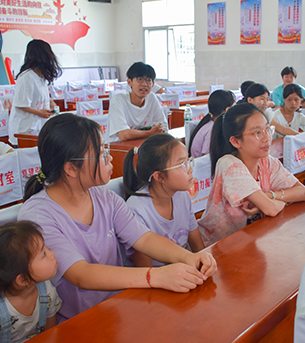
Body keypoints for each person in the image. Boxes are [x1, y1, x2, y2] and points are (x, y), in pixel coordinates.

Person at [18, 113, 216, 323]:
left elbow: (145, 239)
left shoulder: (105, 197)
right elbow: (80, 274)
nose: (110, 158)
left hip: (120, 307)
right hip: (78, 321)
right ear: (71, 168)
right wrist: (155, 276)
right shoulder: (38, 214)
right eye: (101, 153)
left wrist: (189, 258)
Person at [198, 103, 305, 246]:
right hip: (216, 248)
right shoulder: (229, 164)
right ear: (235, 141)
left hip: (250, 241)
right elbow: (271, 209)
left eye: (267, 129)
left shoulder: (267, 162)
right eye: (257, 132)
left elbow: (303, 193)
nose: (267, 138)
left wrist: (269, 196)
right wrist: (277, 202)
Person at [123, 134, 205, 267]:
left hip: (182, 272)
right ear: (159, 176)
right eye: (182, 164)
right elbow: (147, 272)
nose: (190, 169)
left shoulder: (182, 196)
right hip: (157, 277)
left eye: (188, 161)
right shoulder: (136, 211)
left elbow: (199, 249)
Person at [8, 39, 61, 145]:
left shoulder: (42, 76)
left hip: (38, 128)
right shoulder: (26, 76)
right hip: (24, 130)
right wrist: (40, 113)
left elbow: (40, 94)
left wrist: (51, 103)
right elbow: (21, 104)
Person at [107, 62, 167, 142]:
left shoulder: (152, 98)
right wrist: (150, 132)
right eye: (139, 79)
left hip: (142, 145)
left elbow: (163, 127)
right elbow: (123, 135)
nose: (144, 84)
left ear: (153, 84)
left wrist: (154, 131)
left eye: (148, 80)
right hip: (118, 147)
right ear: (129, 82)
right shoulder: (118, 100)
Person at [188, 89, 235, 158]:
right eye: (234, 107)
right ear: (227, 110)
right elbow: (207, 158)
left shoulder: (210, 123)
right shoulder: (212, 129)